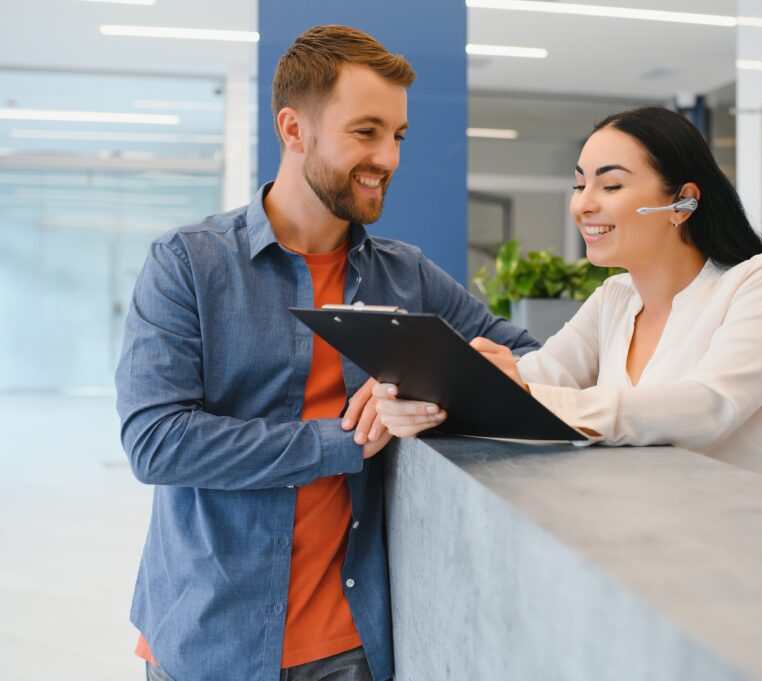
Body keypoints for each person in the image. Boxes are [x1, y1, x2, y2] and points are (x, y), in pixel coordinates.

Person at [115, 25, 537, 681]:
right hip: (209, 637)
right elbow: (156, 441)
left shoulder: (408, 276)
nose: (389, 157)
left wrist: (453, 380)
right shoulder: (189, 264)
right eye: (366, 131)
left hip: (351, 645)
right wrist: (344, 438)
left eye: (397, 135)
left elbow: (521, 354)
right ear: (294, 130)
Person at [374, 106, 762, 505]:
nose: (584, 203)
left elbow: (707, 409)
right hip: (689, 520)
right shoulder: (614, 299)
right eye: (579, 183)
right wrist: (433, 394)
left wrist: (524, 391)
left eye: (610, 185)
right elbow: (540, 376)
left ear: (684, 201)